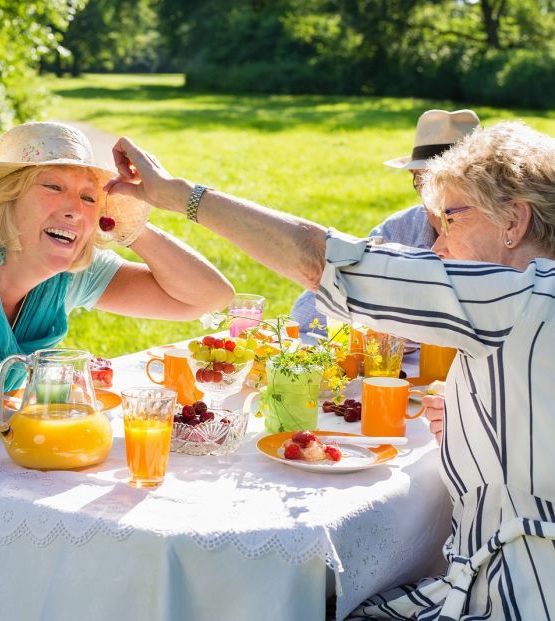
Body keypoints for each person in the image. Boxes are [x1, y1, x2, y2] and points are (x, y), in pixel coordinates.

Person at [107, 120, 555, 619]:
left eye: (451, 219)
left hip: (514, 595)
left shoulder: (511, 297)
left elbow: (319, 259)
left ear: (513, 221)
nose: (437, 246)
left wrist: (182, 197)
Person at [0, 121, 234, 400]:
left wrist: (130, 228)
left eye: (89, 199)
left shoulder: (71, 276)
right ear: (3, 199)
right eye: (53, 187)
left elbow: (210, 298)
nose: (75, 211)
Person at [291, 108, 480, 334]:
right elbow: (304, 316)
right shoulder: (400, 230)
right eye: (426, 184)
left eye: (455, 184)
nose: (439, 200)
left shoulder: (507, 235)